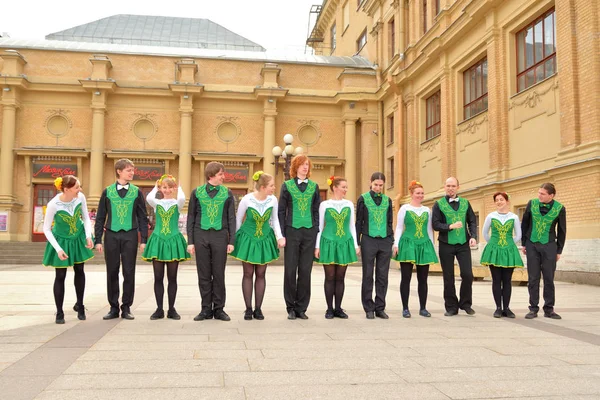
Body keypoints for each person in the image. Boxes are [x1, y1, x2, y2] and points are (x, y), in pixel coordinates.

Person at [95, 159, 148, 320]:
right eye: (128, 170)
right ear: (119, 171)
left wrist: (143, 239)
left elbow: (142, 217)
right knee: (112, 271)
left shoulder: (137, 192)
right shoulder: (107, 191)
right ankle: (113, 307)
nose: (132, 173)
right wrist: (98, 239)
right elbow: (100, 216)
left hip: (130, 235)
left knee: (129, 271)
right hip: (111, 234)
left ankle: (126, 307)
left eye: (133, 170)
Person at [230, 171, 286, 320]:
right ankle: (248, 309)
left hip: (264, 239)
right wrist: (233, 240)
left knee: (261, 274)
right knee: (248, 274)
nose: (274, 188)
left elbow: (275, 220)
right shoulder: (247, 199)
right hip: (248, 238)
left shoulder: (273, 200)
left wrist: (279, 237)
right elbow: (238, 219)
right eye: (272, 185)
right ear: (262, 187)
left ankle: (258, 309)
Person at [187, 161, 236, 322]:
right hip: (200, 234)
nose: (223, 176)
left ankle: (219, 309)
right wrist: (191, 241)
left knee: (219, 273)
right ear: (211, 176)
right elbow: (191, 217)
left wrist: (232, 241)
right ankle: (205, 309)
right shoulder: (196, 192)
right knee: (204, 274)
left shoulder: (227, 193)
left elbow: (231, 218)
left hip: (220, 236)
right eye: (221, 174)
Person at [42, 175, 94, 324]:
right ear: (66, 189)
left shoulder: (80, 197)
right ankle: (59, 312)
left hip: (77, 238)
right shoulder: (53, 204)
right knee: (60, 275)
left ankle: (80, 305)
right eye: (77, 187)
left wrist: (88, 236)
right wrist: (58, 249)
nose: (80, 189)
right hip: (61, 240)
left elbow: (85, 217)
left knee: (80, 270)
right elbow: (46, 229)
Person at [142, 175, 190, 320]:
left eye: (170, 187)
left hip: (173, 241)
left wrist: (180, 187)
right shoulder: (157, 203)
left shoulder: (177, 203)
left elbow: (182, 198)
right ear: (161, 188)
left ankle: (172, 309)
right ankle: (159, 309)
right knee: (158, 277)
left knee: (172, 278)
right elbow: (149, 199)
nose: (167, 190)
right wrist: (155, 187)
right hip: (158, 241)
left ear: (174, 188)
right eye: (164, 187)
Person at [278, 155, 320, 320]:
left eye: (307, 165)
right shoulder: (287, 186)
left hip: (309, 232)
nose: (305, 167)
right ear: (295, 167)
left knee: (305, 270)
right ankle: (290, 307)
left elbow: (316, 210)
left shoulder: (314, 186)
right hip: (292, 231)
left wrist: (315, 230)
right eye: (302, 165)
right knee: (290, 270)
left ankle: (302, 307)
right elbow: (281, 211)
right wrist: (281, 234)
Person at [314, 177, 360, 319]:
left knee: (340, 277)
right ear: (334, 187)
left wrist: (355, 244)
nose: (346, 190)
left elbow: (352, 226)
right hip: (328, 242)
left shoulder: (349, 204)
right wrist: (317, 246)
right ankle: (329, 309)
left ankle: (338, 308)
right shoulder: (325, 205)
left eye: (347, 187)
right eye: (343, 187)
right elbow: (320, 227)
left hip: (344, 242)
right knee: (330, 277)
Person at [432, 177, 478, 316]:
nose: (450, 188)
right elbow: (435, 224)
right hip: (446, 244)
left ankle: (465, 303)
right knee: (448, 276)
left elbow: (472, 220)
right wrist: (449, 226)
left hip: (463, 244)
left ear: (458, 187)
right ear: (444, 187)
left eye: (453, 186)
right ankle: (451, 307)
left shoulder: (465, 202)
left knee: (467, 274)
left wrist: (473, 237)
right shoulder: (438, 204)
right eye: (448, 186)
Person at [393, 180, 438, 318]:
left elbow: (430, 229)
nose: (420, 195)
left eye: (422, 193)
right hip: (408, 243)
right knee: (405, 277)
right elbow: (400, 227)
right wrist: (396, 243)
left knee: (423, 279)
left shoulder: (427, 210)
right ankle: (405, 308)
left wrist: (431, 245)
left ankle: (423, 308)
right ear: (412, 194)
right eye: (418, 193)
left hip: (424, 244)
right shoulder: (404, 209)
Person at [521, 182, 566, 320]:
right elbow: (525, 224)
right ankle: (533, 308)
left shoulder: (560, 208)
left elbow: (562, 230)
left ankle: (549, 309)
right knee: (533, 278)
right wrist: (524, 243)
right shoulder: (531, 203)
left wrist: (559, 250)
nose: (539, 195)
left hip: (550, 246)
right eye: (539, 192)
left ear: (551, 195)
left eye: (542, 194)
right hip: (532, 244)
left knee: (548, 278)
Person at [356, 172, 393, 319]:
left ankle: (380, 307)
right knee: (368, 274)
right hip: (368, 239)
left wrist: (391, 239)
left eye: (381, 185)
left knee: (383, 275)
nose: (378, 187)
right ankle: (368, 307)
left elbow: (389, 221)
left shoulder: (388, 200)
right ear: (371, 183)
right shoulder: (363, 199)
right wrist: (357, 242)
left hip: (385, 240)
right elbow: (359, 221)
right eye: (376, 184)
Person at [480, 192, 524, 318]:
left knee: (507, 280)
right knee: (496, 279)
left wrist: (509, 244)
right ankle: (498, 308)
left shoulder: (514, 217)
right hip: (494, 251)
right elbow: (485, 233)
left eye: (501, 199)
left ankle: (507, 308)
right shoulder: (491, 216)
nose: (499, 202)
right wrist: (495, 244)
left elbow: (518, 235)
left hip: (509, 251)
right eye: (497, 200)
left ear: (507, 201)